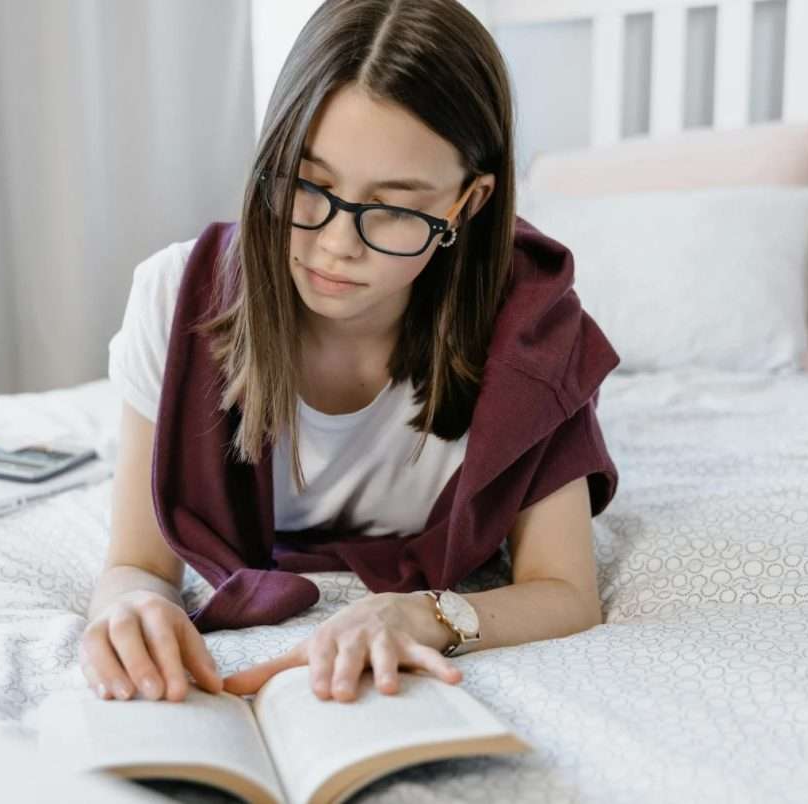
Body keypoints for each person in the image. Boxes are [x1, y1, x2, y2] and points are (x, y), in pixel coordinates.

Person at [82, 0, 620, 707]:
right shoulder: (174, 297)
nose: (337, 243)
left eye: (394, 206)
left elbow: (565, 591)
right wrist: (126, 607)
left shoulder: (530, 329)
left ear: (468, 203)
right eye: (309, 185)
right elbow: (138, 563)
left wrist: (414, 613)